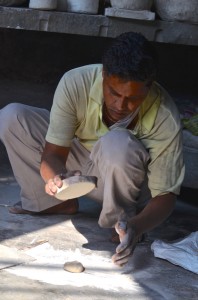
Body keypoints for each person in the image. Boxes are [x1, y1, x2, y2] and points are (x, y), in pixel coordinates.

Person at [0, 32, 185, 266]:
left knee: (117, 142)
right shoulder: (76, 82)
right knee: (11, 117)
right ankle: (59, 203)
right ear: (104, 75)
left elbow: (166, 196)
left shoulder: (165, 115)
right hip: (83, 165)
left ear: (149, 88)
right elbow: (54, 153)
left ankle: (121, 224)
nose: (120, 105)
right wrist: (57, 178)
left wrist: (138, 226)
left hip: (129, 178)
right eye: (114, 93)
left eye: (133, 98)